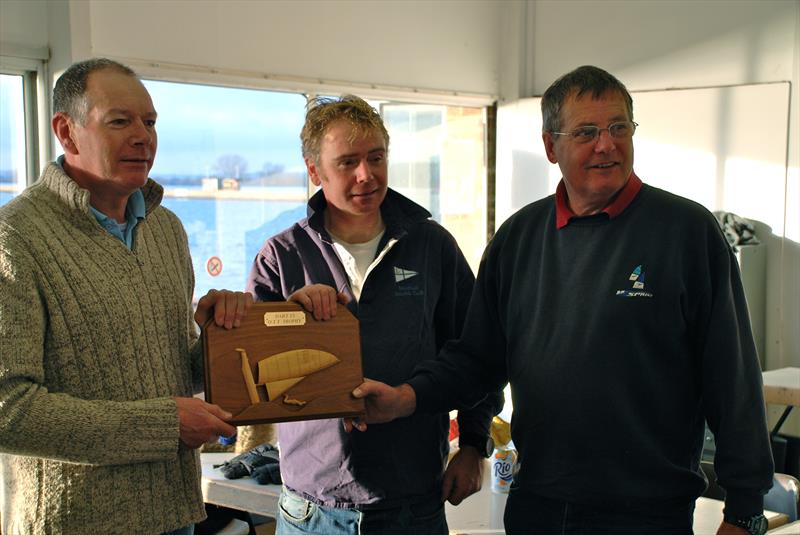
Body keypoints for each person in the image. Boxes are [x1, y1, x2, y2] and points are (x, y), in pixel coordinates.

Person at [352, 66, 774, 535]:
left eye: (619, 128)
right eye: (586, 132)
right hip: (539, 507)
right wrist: (405, 398)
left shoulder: (687, 233)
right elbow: (476, 360)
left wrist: (745, 508)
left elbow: (731, 377)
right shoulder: (518, 238)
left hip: (648, 514)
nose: (606, 145)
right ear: (551, 146)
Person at [0, 58, 252, 535]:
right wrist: (164, 426)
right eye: (120, 121)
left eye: (150, 121)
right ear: (67, 132)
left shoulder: (166, 229)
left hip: (176, 515)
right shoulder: (15, 237)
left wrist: (220, 337)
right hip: (75, 525)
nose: (144, 136)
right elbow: (8, 409)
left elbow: (167, 367)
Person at [246, 95, 503, 535]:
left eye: (376, 158)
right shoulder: (281, 257)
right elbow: (250, 379)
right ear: (315, 172)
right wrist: (291, 320)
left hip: (413, 504)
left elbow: (476, 353)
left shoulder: (432, 246)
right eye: (347, 162)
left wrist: (474, 445)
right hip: (312, 510)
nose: (366, 175)